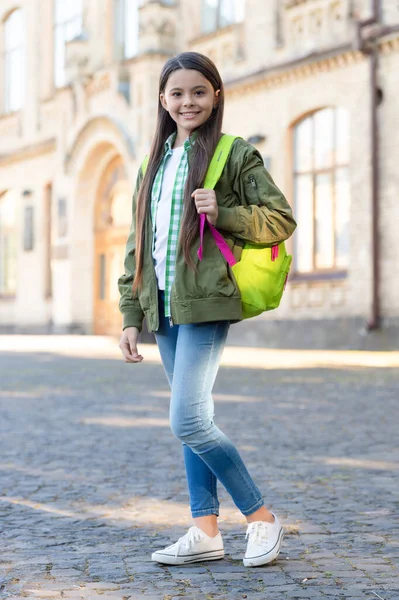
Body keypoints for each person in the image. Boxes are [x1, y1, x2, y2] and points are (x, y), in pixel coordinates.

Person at [118, 51, 296, 567]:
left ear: (215, 95)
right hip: (164, 309)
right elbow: (137, 243)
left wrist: (226, 213)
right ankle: (205, 529)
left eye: (198, 91)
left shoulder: (233, 153)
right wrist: (131, 313)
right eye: (177, 93)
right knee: (193, 417)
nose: (187, 101)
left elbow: (280, 219)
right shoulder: (153, 163)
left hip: (207, 302)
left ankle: (261, 519)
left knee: (188, 420)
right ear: (162, 100)